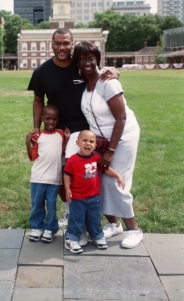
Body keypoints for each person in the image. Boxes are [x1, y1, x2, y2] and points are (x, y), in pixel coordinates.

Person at [27, 27, 118, 231]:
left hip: (84, 129)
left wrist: (115, 71)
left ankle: (92, 218)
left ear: (72, 44)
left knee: (83, 174)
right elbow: (38, 100)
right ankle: (70, 210)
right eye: (58, 43)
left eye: (66, 43)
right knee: (59, 175)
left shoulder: (80, 66)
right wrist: (36, 127)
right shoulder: (41, 72)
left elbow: (99, 73)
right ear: (51, 44)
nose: (62, 47)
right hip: (58, 131)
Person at [73, 40, 143, 249]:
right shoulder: (84, 84)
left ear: (97, 59)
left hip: (123, 137)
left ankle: (134, 229)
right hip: (101, 139)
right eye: (82, 59)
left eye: (91, 58)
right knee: (98, 181)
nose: (87, 62)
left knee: (115, 182)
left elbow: (120, 118)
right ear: (77, 62)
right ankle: (114, 224)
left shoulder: (108, 82)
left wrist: (110, 152)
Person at [64, 130, 125, 253]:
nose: (88, 144)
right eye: (84, 140)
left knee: (94, 218)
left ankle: (97, 236)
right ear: (78, 143)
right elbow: (66, 174)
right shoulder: (73, 160)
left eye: (91, 141)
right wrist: (67, 188)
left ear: (95, 145)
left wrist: (118, 176)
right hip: (77, 198)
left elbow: (106, 169)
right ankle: (71, 239)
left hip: (94, 197)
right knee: (76, 219)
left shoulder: (97, 158)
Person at [26, 105, 70, 243]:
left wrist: (67, 139)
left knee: (51, 205)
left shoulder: (61, 134)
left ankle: (50, 229)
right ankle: (37, 227)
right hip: (38, 177)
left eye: (54, 119)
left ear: (58, 120)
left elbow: (62, 152)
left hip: (54, 179)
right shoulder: (37, 136)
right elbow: (32, 157)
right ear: (42, 118)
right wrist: (27, 142)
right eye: (48, 118)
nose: (51, 121)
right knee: (37, 204)